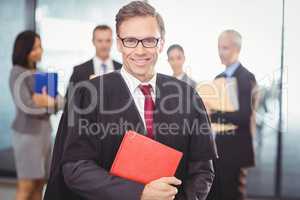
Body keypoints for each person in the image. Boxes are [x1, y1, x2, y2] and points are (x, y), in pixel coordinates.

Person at [44, 1, 217, 200]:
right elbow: (75, 169)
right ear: (118, 43)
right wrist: (139, 193)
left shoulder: (187, 96)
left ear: (161, 43)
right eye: (130, 41)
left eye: (149, 40)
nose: (140, 51)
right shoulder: (89, 94)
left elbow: (202, 170)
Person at [9, 30, 64, 200]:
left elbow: (62, 101)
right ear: (24, 51)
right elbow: (27, 106)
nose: (39, 51)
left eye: (40, 47)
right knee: (26, 185)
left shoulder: (41, 73)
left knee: (40, 183)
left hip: (45, 134)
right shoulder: (17, 73)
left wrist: (46, 101)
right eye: (34, 48)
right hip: (27, 136)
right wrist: (50, 103)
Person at [206, 30, 258, 200]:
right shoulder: (218, 78)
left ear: (237, 49)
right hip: (218, 149)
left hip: (236, 151)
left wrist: (214, 113)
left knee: (232, 194)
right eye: (219, 48)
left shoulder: (247, 78)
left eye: (225, 48)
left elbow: (244, 116)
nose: (220, 52)